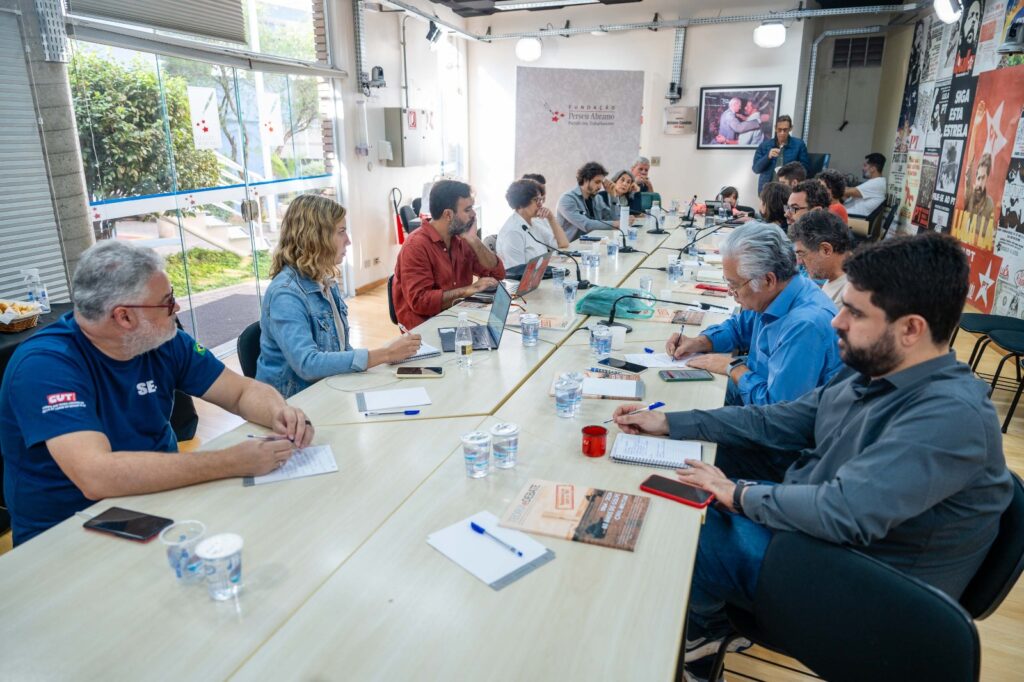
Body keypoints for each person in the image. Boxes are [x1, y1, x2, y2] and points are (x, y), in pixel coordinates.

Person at [614, 233, 1013, 682]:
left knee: (685, 531)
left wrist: (740, 494)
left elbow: (842, 513)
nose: (836, 320)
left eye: (855, 312)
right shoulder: (873, 372)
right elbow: (775, 421)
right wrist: (672, 423)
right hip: (822, 543)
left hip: (868, 595)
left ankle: (698, 641)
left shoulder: (949, 417)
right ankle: (706, 631)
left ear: (911, 329)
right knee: (684, 483)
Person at [0, 240, 314, 546]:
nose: (176, 307)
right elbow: (97, 476)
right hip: (69, 533)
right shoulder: (44, 366)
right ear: (124, 317)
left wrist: (277, 411)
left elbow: (240, 392)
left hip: (158, 501)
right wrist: (230, 462)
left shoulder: (162, 338)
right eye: (167, 301)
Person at [665, 222, 842, 413]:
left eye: (734, 285)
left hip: (775, 424)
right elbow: (739, 328)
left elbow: (777, 413)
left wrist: (733, 368)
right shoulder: (775, 293)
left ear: (768, 280)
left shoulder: (805, 325)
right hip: (757, 393)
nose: (731, 292)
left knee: (685, 408)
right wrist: (700, 341)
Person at [256, 195, 422, 398]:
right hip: (295, 404)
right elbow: (308, 364)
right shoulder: (286, 294)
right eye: (341, 232)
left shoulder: (325, 280)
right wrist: (384, 354)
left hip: (326, 390)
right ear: (315, 237)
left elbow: (340, 348)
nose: (348, 241)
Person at [391, 180, 506, 330]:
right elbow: (421, 302)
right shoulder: (415, 247)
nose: (473, 214)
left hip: (458, 318)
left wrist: (474, 240)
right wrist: (469, 290)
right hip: (425, 329)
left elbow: (498, 273)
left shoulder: (461, 238)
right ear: (448, 214)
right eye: (468, 209)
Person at [496, 178, 569, 268]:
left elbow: (563, 244)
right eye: (536, 200)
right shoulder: (513, 232)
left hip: (539, 275)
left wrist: (551, 218)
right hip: (523, 280)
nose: (540, 204)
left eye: (540, 200)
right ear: (521, 202)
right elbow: (517, 272)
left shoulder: (535, 223)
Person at [788, 210, 854, 305]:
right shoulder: (833, 279)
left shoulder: (850, 294)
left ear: (826, 250)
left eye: (802, 253)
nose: (799, 262)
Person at [557, 161, 624, 241]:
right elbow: (586, 225)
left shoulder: (597, 198)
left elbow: (614, 219)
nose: (600, 187)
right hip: (570, 249)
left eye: (601, 183)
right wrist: (616, 223)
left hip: (594, 246)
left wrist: (613, 196)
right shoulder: (567, 200)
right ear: (585, 180)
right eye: (597, 182)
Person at [752, 115, 810, 192]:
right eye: (779, 129)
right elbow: (756, 169)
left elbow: (805, 169)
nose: (782, 133)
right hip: (767, 190)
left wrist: (791, 174)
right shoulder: (765, 145)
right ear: (775, 128)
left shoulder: (799, 145)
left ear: (790, 128)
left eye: (785, 130)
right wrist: (767, 157)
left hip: (788, 189)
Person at [962, 153, 996, 245]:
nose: (980, 183)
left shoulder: (989, 204)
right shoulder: (968, 196)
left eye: (983, 178)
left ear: (987, 178)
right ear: (975, 177)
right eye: (978, 178)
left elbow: (988, 235)